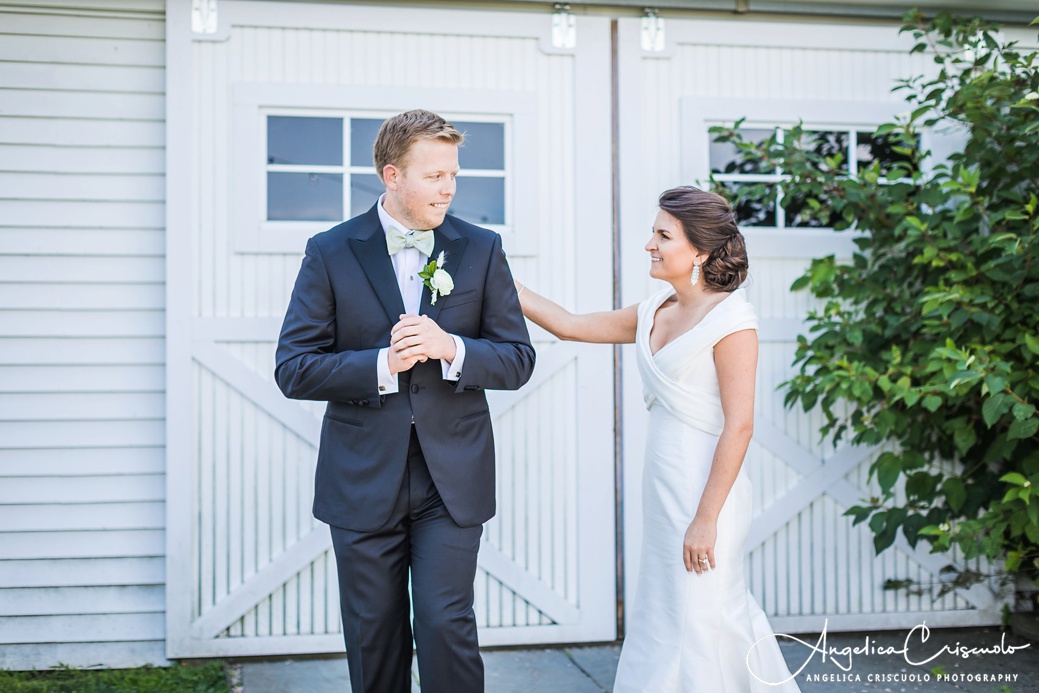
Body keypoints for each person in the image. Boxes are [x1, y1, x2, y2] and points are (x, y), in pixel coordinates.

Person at [275, 109, 535, 693]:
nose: (449, 188)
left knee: (447, 626)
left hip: (453, 478)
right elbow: (294, 368)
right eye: (435, 175)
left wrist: (451, 348)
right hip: (363, 476)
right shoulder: (330, 251)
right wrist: (380, 365)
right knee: (374, 634)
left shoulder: (482, 247)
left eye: (453, 175)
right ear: (392, 176)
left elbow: (518, 359)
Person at [516, 186, 800, 692]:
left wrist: (706, 520)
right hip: (664, 488)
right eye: (653, 232)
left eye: (663, 235)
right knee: (667, 615)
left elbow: (740, 425)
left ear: (700, 251)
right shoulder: (654, 310)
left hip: (707, 497)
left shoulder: (732, 321)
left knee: (706, 616)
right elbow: (571, 326)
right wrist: (501, 282)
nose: (649, 243)